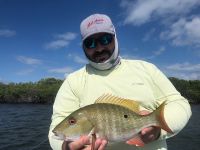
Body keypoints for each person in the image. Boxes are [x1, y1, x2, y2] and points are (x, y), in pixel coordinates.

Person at [48, 14, 192, 150]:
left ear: (115, 38)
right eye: (90, 43)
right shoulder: (73, 81)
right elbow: (56, 130)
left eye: (105, 40)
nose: (99, 48)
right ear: (83, 47)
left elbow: (179, 103)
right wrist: (65, 147)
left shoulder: (146, 69)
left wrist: (158, 131)